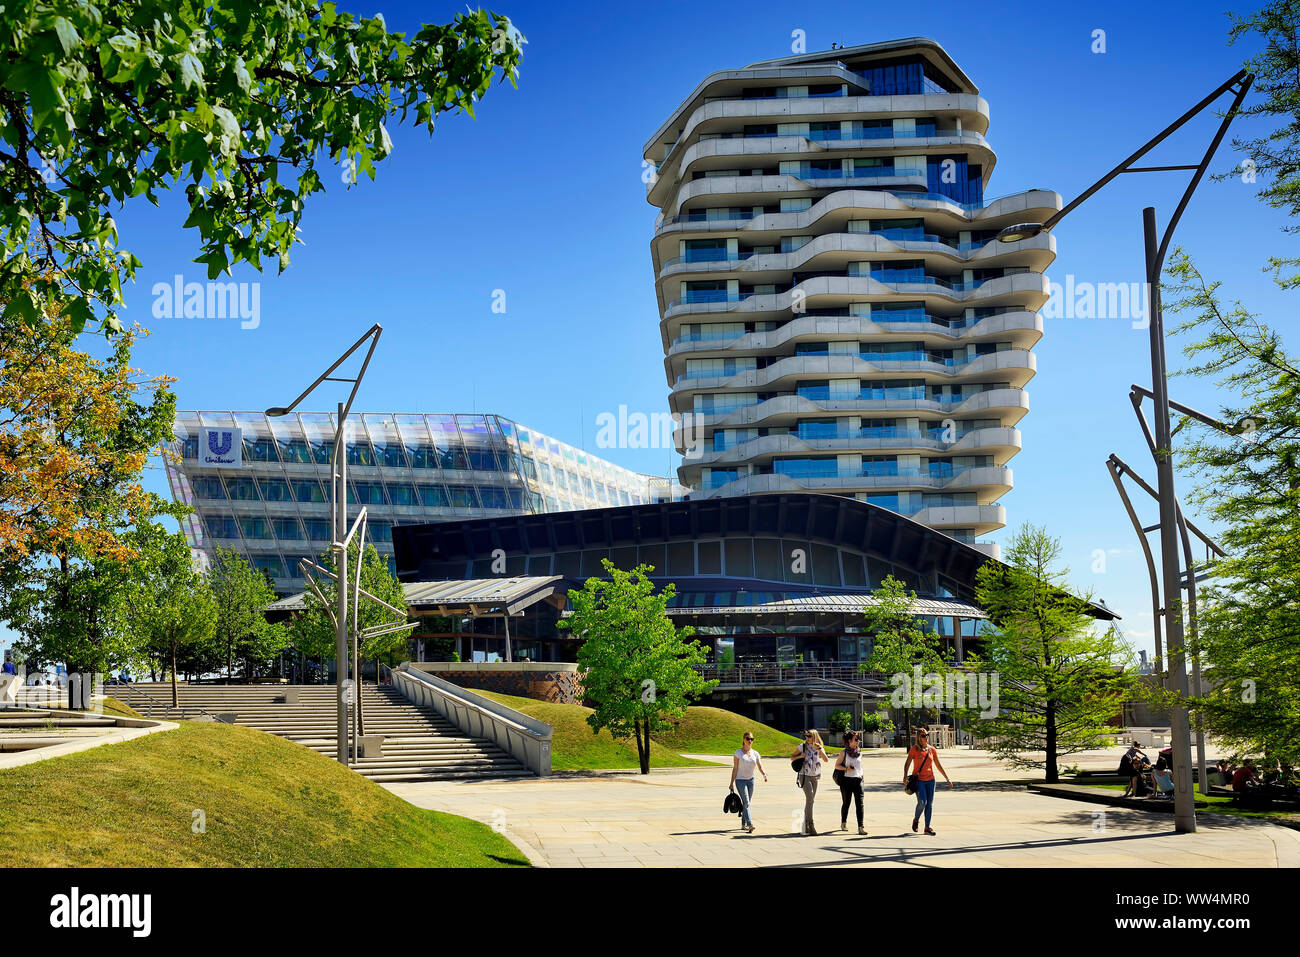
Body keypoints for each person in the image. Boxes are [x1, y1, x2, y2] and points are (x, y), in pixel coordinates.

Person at [903, 728, 951, 835]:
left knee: (929, 804)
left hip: (931, 780)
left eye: (927, 735)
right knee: (922, 802)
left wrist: (947, 778)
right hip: (919, 780)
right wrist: (905, 776)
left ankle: (927, 827)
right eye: (923, 736)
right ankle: (916, 820)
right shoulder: (914, 749)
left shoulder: (932, 750)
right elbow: (907, 763)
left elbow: (938, 765)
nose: (926, 737)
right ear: (919, 738)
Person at [792, 729, 831, 836]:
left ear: (814, 736)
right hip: (804, 775)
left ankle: (805, 825)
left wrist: (820, 749)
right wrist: (800, 756)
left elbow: (826, 760)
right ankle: (811, 825)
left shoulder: (819, 747)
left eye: (809, 736)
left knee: (810, 801)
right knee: (810, 799)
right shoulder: (802, 746)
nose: (807, 738)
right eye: (806, 736)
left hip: (815, 776)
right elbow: (792, 757)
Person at [728, 732, 768, 833]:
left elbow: (759, 765)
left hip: (751, 781)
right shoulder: (738, 753)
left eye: (752, 739)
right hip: (740, 780)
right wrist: (731, 783)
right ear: (743, 739)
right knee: (746, 802)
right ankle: (750, 824)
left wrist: (764, 774)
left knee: (747, 804)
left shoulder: (755, 753)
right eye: (748, 739)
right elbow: (735, 768)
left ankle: (743, 824)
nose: (750, 741)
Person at [834, 730, 866, 834]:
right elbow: (837, 765)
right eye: (856, 739)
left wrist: (862, 776)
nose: (858, 741)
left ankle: (861, 827)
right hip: (846, 781)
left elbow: (860, 766)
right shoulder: (844, 753)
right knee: (846, 803)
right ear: (849, 741)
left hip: (858, 780)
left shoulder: (860, 752)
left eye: (858, 740)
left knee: (860, 803)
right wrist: (846, 768)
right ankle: (843, 822)